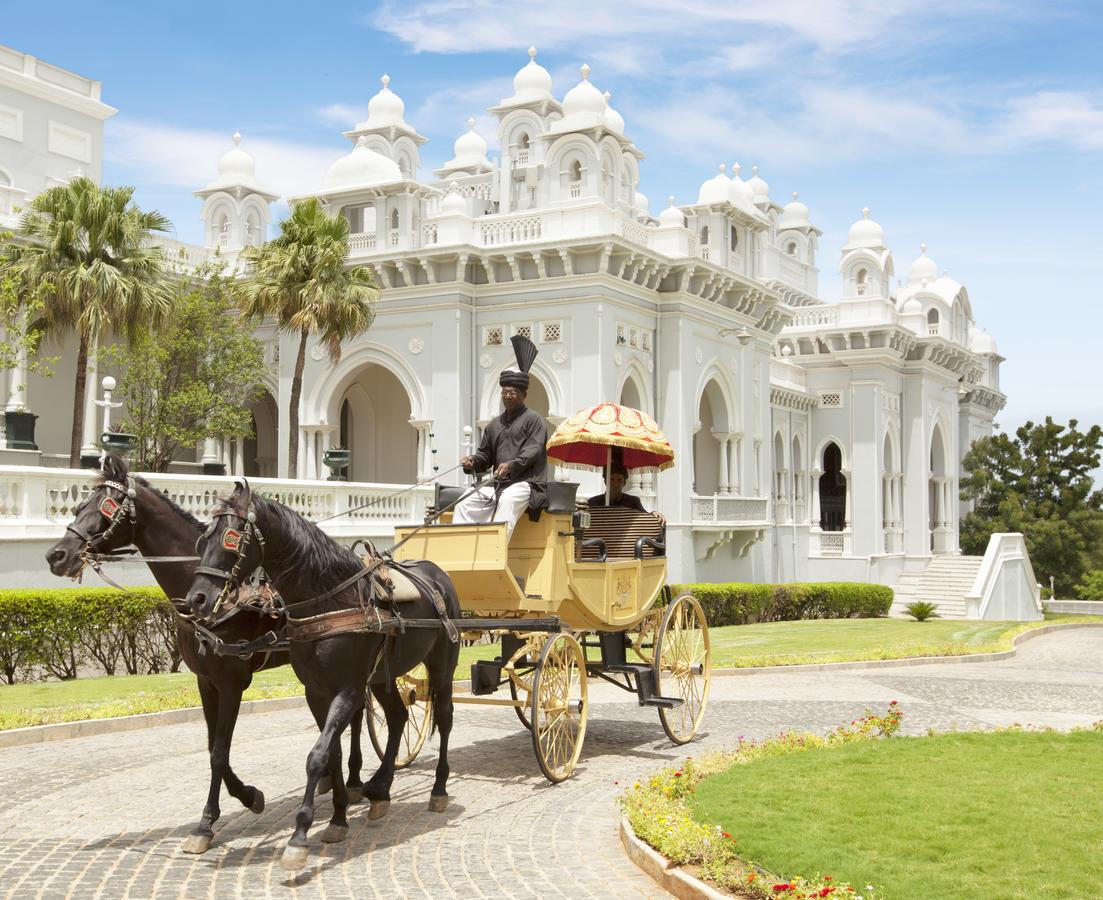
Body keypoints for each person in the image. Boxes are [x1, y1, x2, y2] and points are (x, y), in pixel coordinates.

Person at [455, 335, 548, 538]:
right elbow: (485, 456)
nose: (508, 396)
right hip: (499, 483)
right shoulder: (494, 425)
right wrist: (472, 461)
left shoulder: (535, 420)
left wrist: (511, 465)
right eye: (505, 392)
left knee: (508, 500)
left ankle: (494, 554)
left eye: (513, 392)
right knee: (465, 501)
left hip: (528, 484)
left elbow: (532, 451)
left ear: (524, 395)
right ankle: (461, 550)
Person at [588, 463, 666, 525]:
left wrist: (653, 514)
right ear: (605, 482)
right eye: (611, 479)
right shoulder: (593, 502)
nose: (615, 484)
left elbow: (644, 516)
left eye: (619, 480)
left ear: (624, 483)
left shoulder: (633, 502)